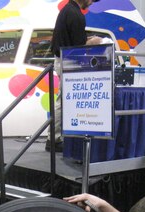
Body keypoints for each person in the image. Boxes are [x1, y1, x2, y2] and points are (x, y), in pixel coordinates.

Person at [47, 0, 102, 152]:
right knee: (63, 101)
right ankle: (54, 138)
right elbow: (78, 46)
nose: (91, 2)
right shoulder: (76, 15)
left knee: (63, 100)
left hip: (62, 59)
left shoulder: (67, 10)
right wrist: (94, 41)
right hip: (68, 62)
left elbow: (71, 40)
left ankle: (55, 137)